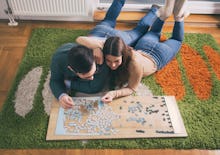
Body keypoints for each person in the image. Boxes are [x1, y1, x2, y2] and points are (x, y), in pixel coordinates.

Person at [50, 0, 161, 109]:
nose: (92, 77)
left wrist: (68, 83)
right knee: (109, 20)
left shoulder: (101, 61)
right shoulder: (58, 59)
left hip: (110, 40)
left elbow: (94, 87)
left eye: (92, 73)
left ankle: (154, 11)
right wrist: (62, 95)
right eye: (88, 76)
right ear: (71, 69)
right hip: (98, 33)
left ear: (94, 58)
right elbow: (54, 80)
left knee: (138, 32)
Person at [99, 0, 190, 103]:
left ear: (123, 55)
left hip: (159, 56)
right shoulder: (124, 49)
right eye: (109, 61)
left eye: (116, 61)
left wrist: (114, 93)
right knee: (154, 32)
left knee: (176, 40)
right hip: (145, 45)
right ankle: (165, 15)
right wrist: (97, 49)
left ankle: (177, 17)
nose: (113, 65)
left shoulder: (134, 64)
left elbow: (131, 88)